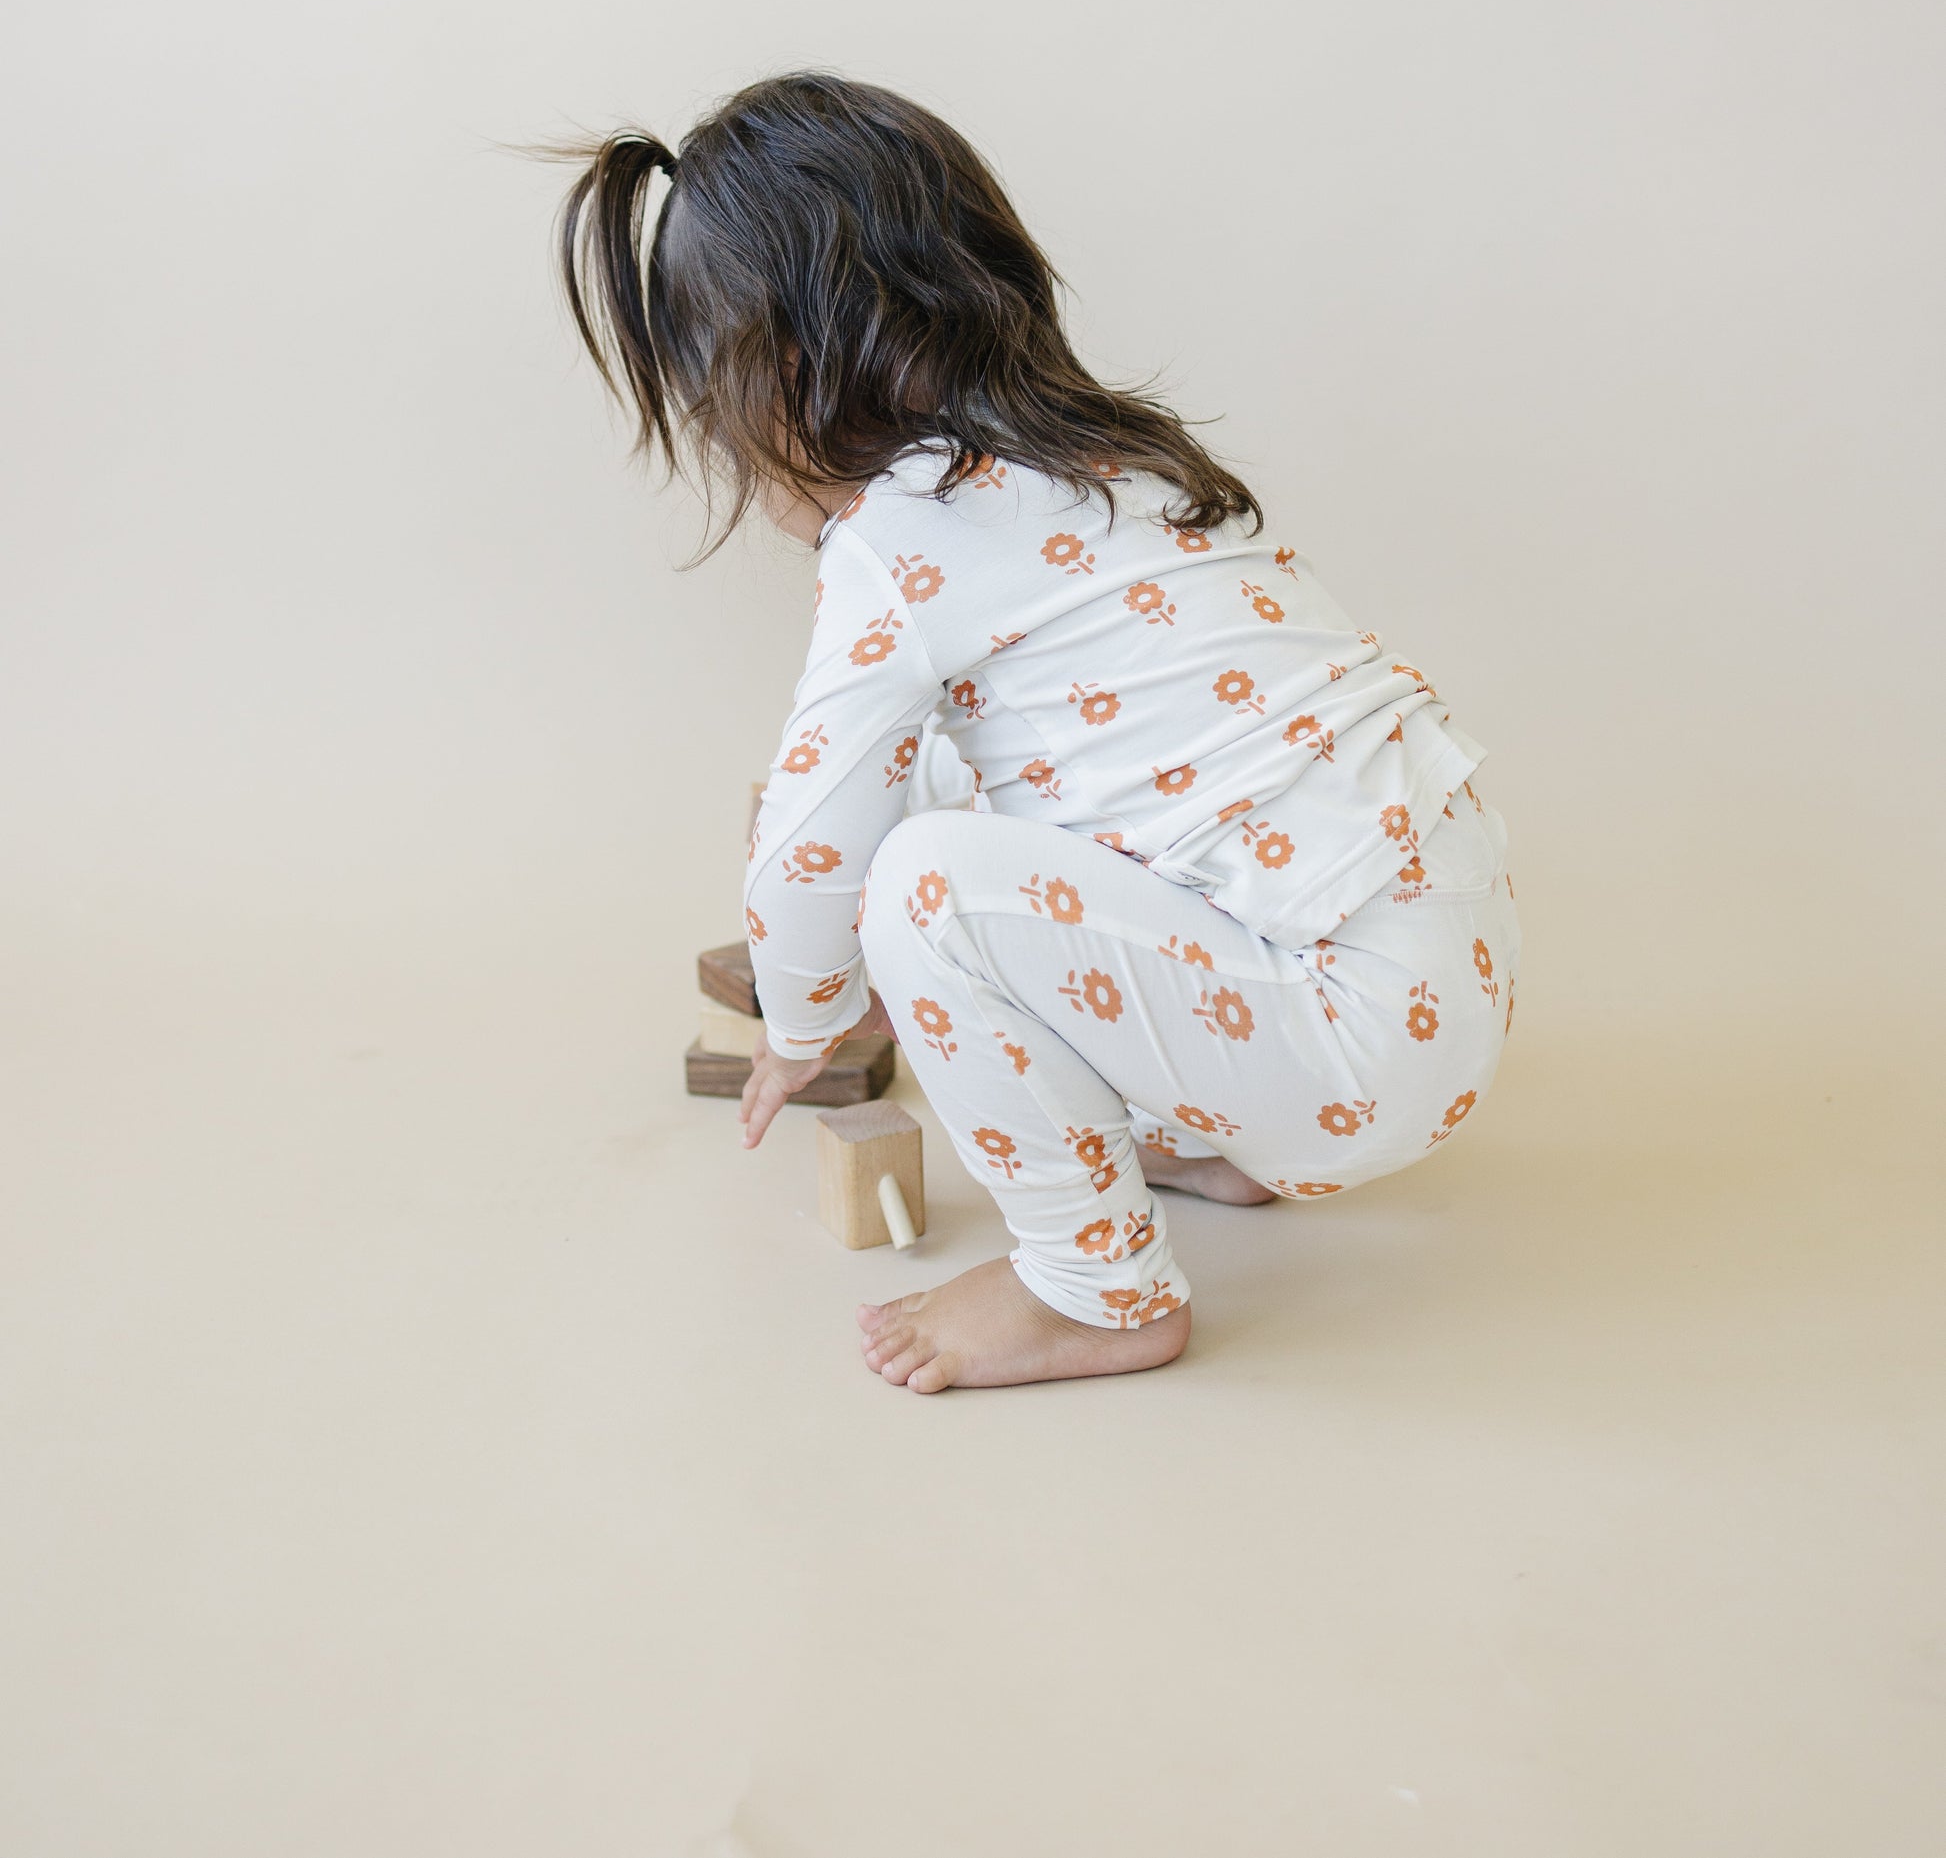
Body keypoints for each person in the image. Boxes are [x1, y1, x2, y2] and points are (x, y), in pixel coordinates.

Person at [553, 72, 1518, 1392]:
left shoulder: (899, 534)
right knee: (966, 783)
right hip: (1431, 983)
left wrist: (801, 1019)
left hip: (1338, 1036)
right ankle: (1217, 1139)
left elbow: (809, 842)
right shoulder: (1116, 460)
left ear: (777, 377)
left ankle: (1095, 1291)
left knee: (921, 882)